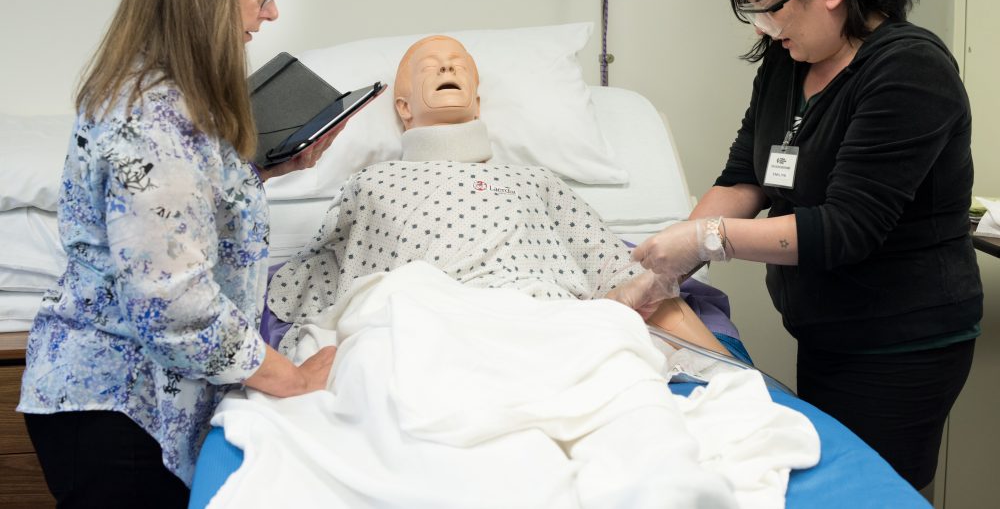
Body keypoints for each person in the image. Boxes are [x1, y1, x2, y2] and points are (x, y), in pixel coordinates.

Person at [609, 0, 982, 492]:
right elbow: (744, 179)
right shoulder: (788, 62)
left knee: (869, 491)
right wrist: (665, 265)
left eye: (770, 8)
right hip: (826, 326)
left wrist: (705, 240)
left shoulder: (910, 69)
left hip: (902, 339)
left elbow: (844, 228)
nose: (765, 28)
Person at [18, 0, 337, 508]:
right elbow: (175, 305)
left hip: (122, 406)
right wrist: (293, 380)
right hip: (119, 410)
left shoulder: (161, 93)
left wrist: (260, 171)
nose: (269, 13)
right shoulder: (154, 119)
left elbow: (168, 215)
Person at [267, 34, 733, 359]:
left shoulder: (535, 181)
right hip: (418, 327)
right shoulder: (370, 184)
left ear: (477, 100)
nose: (448, 66)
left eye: (460, 65)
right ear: (403, 107)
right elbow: (309, 289)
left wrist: (736, 381)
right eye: (429, 66)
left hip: (545, 324)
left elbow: (638, 283)